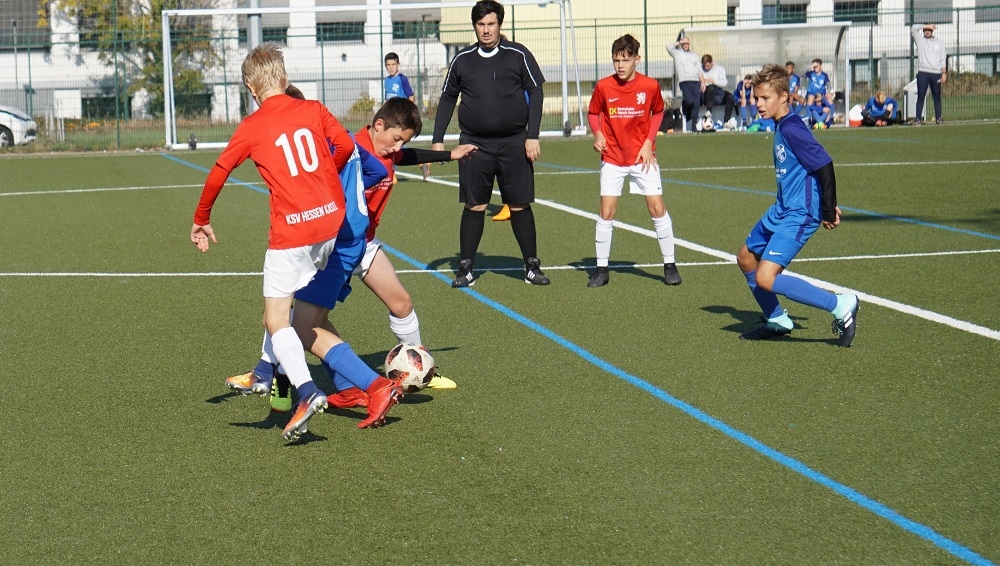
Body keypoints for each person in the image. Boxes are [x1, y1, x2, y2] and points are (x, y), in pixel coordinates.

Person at [191, 43, 403, 441]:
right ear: (285, 78)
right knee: (289, 306)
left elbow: (220, 170)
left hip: (294, 231)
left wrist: (201, 219)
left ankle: (306, 392)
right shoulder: (313, 109)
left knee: (277, 319)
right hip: (330, 225)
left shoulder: (252, 126)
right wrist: (321, 177)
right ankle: (266, 373)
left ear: (250, 88)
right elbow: (345, 147)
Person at [233, 97, 477, 414]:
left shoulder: (387, 150)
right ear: (378, 126)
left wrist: (448, 155)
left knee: (401, 303)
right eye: (396, 139)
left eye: (402, 142)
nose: (397, 148)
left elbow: (404, 156)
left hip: (364, 243)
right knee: (300, 318)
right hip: (336, 244)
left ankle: (421, 370)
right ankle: (277, 372)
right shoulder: (349, 147)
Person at [735, 63, 859, 347]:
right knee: (746, 258)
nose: (759, 104)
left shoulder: (792, 128)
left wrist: (827, 208)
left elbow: (824, 165)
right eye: (756, 98)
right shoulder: (782, 125)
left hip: (799, 213)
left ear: (783, 96)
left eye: (765, 98)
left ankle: (841, 305)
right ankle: (777, 319)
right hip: (781, 209)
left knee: (765, 277)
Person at [431, 0, 550, 287]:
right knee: (474, 205)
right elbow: (448, 98)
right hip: (474, 145)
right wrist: (437, 140)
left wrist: (532, 135)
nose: (486, 30)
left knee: (519, 204)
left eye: (491, 24)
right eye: (481, 24)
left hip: (514, 143)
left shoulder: (518, 54)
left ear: (500, 24)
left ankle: (532, 266)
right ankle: (465, 269)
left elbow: (536, 91)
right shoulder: (462, 59)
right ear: (475, 26)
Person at [586, 34, 681, 288]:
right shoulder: (604, 86)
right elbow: (593, 113)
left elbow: (658, 112)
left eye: (625, 60)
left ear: (637, 59)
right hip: (613, 157)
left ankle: (670, 265)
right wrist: (598, 134)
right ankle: (601, 269)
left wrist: (649, 143)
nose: (620, 65)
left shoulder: (650, 86)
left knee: (657, 208)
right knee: (606, 211)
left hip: (642, 158)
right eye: (616, 60)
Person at [384, 52, 430, 181]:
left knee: (393, 143)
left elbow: (411, 96)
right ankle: (422, 162)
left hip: (400, 118)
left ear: (398, 64)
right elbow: (387, 99)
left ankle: (391, 174)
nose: (391, 67)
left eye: (393, 64)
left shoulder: (402, 79)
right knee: (395, 144)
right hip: (391, 117)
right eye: (388, 65)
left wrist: (408, 113)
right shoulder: (386, 80)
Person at [911, 22, 947, 126]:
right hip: (923, 72)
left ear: (932, 31)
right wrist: (926, 26)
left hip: (936, 73)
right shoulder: (920, 40)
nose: (927, 32)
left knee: (937, 96)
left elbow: (942, 58)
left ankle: (938, 118)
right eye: (925, 30)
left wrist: (944, 73)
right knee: (921, 95)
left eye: (929, 30)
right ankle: (918, 119)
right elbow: (913, 28)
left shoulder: (939, 43)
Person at [666, 36, 701, 132]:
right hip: (684, 81)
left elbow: (699, 70)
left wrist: (702, 81)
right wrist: (679, 42)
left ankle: (694, 125)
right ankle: (684, 108)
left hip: (696, 81)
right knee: (690, 101)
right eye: (684, 44)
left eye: (687, 43)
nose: (685, 45)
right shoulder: (677, 53)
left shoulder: (694, 55)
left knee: (696, 103)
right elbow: (668, 47)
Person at [699, 54, 735, 129]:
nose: (706, 68)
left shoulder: (720, 69)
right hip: (707, 95)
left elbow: (724, 83)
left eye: (707, 65)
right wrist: (705, 82)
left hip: (718, 93)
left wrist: (713, 81)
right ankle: (709, 111)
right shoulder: (701, 70)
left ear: (711, 62)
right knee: (711, 88)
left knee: (730, 97)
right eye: (704, 66)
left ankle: (726, 121)